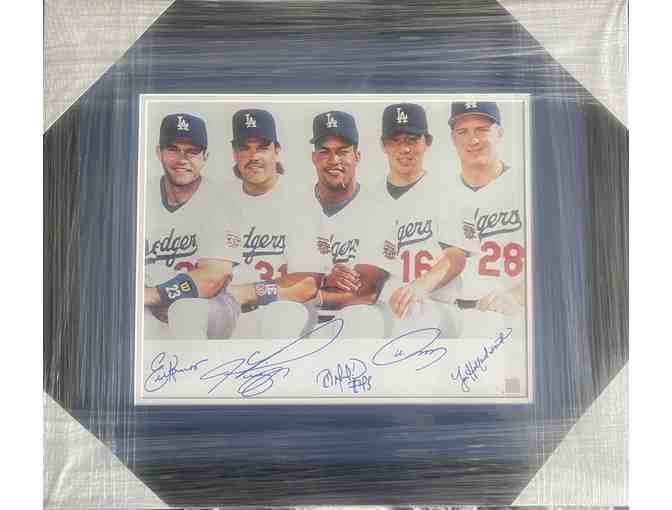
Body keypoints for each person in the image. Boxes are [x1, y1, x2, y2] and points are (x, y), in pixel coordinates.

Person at [143, 113, 242, 340]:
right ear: (159, 152)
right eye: (173, 149)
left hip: (211, 305)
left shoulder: (221, 200)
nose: (182, 159)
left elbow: (213, 278)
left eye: (192, 151)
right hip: (151, 301)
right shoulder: (139, 195)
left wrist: (153, 295)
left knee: (185, 310)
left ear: (205, 157)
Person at [376, 103, 468, 337]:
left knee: (414, 315)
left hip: (434, 304)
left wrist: (421, 286)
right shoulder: (370, 199)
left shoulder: (446, 193)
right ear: (384, 145)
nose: (405, 148)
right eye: (396, 140)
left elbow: (456, 257)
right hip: (385, 307)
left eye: (412, 139)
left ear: (427, 142)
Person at [302, 110, 392, 338]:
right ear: (314, 158)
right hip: (304, 312)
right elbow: (288, 280)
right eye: (325, 152)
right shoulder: (295, 207)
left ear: (357, 156)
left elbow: (366, 292)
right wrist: (326, 278)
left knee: (360, 318)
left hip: (356, 314)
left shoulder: (379, 209)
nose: (334, 161)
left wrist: (313, 290)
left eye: (343, 152)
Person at [440, 101, 526, 337]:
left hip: (510, 310)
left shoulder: (527, 185)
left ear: (500, 133)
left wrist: (518, 296)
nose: (473, 139)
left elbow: (555, 265)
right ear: (453, 139)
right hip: (451, 311)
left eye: (482, 129)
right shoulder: (443, 194)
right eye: (463, 131)